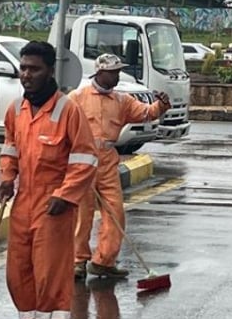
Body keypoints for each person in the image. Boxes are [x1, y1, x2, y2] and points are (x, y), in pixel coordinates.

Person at [0, 40, 97, 319]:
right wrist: (7, 178)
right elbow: (9, 147)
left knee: (50, 288)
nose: (26, 75)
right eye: (23, 68)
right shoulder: (16, 109)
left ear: (49, 71)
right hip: (23, 205)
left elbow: (85, 158)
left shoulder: (68, 111)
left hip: (53, 209)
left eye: (34, 69)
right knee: (18, 281)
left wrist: (66, 195)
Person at [70, 53, 170, 280]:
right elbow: (64, 128)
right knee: (81, 215)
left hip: (106, 162)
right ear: (100, 73)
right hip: (82, 163)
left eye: (117, 71)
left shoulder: (121, 101)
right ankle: (78, 261)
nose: (117, 76)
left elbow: (145, 113)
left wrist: (161, 106)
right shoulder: (77, 98)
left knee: (115, 212)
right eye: (113, 72)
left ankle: (104, 261)